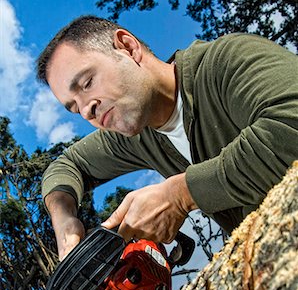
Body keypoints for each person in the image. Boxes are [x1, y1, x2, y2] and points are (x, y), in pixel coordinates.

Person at [37, 15, 298, 261]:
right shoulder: (133, 136)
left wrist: (181, 194)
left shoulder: (227, 60)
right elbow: (66, 166)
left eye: (87, 83)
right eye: (74, 108)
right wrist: (63, 218)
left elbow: (291, 124)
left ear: (127, 47)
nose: (85, 110)